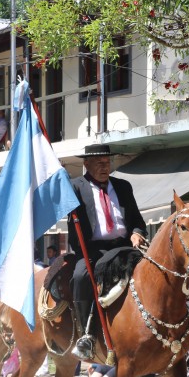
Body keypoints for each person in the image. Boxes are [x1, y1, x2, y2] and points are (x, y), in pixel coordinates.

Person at [67, 144, 147, 360]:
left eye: (107, 162)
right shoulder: (74, 187)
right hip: (94, 250)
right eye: (99, 163)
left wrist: (137, 233)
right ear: (86, 164)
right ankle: (86, 336)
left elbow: (137, 221)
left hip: (124, 247)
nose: (105, 167)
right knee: (80, 276)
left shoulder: (123, 186)